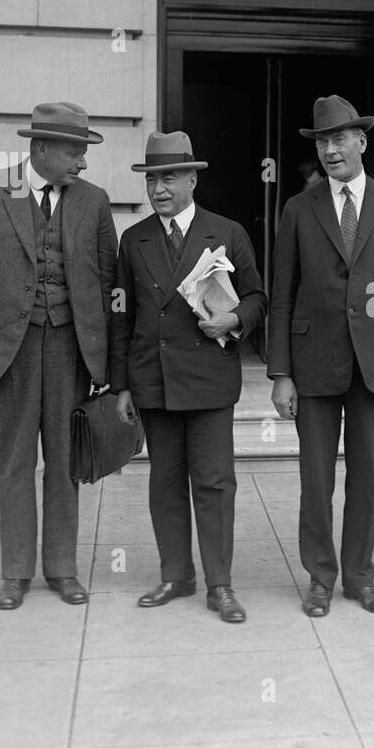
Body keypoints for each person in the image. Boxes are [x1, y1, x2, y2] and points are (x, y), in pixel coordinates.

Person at [0, 101, 117, 610]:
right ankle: (15, 572)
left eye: (84, 153)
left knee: (66, 462)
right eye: (74, 152)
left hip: (72, 346)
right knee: (16, 458)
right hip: (10, 350)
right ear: (39, 149)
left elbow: (109, 283)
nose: (82, 163)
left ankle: (62, 570)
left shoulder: (95, 200)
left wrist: (106, 359)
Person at [267, 95, 374, 617]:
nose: (331, 150)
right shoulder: (298, 208)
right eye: (323, 142)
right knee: (316, 479)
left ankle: (360, 577)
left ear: (361, 141)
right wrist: (281, 372)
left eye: (340, 140)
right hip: (313, 363)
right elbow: (282, 291)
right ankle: (320, 579)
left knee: (366, 476)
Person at [110, 131, 267, 622]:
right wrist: (121, 385)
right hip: (153, 379)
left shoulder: (227, 232)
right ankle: (176, 574)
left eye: (170, 177)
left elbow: (260, 299)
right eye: (152, 178)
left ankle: (220, 584)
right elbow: (122, 314)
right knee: (165, 482)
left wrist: (233, 319)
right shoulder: (133, 240)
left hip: (208, 380)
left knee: (216, 483)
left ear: (193, 178)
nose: (159, 188)